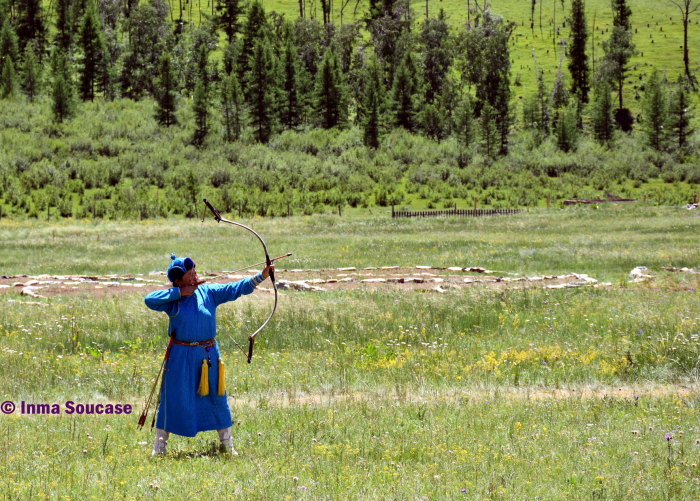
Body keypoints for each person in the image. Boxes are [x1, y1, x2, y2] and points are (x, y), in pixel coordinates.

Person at [144, 253, 274, 456]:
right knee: (173, 398)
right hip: (180, 357)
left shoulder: (208, 292)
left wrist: (262, 275)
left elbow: (235, 288)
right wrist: (180, 293)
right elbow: (149, 300)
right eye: (190, 275)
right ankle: (159, 448)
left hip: (208, 356)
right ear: (178, 281)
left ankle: (227, 445)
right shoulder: (173, 300)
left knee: (217, 397)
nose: (195, 276)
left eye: (195, 271)